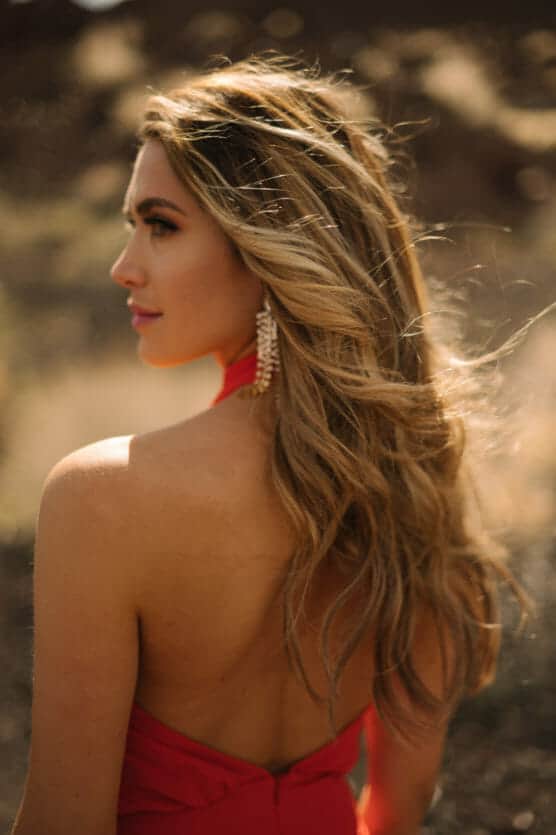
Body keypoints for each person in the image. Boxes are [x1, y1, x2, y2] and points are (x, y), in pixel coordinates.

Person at [10, 52, 528, 835]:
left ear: (268, 250)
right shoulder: (412, 482)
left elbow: (62, 819)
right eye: (130, 226)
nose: (124, 267)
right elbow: (395, 813)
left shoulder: (101, 497)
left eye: (160, 226)